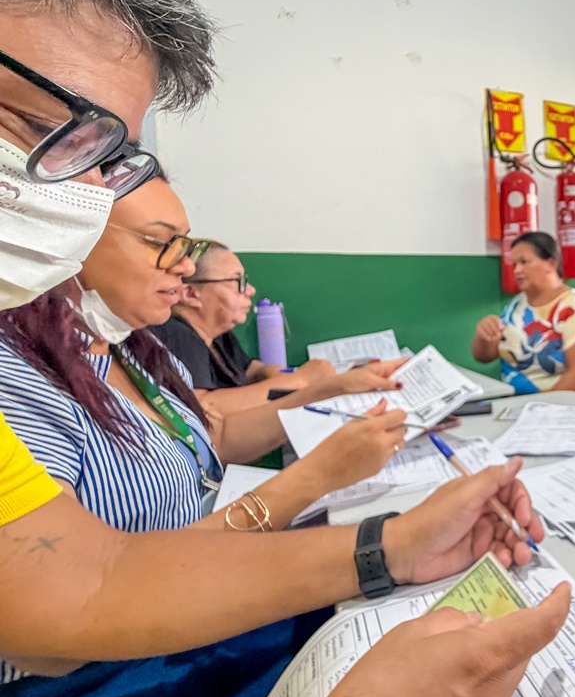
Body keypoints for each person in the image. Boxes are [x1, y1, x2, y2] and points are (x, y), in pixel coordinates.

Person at [0, 0, 568, 697]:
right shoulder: (24, 372)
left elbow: (88, 579)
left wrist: (389, 545)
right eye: (41, 132)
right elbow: (74, 616)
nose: (68, 198)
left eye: (102, 158)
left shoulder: (117, 352)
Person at [0, 174, 415, 535]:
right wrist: (317, 476)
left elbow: (211, 436)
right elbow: (81, 579)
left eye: (184, 246)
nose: (183, 267)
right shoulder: (21, 382)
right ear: (73, 243)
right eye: (162, 242)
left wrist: (330, 389)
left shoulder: (137, 349)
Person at [151, 241, 338, 413]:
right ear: (191, 294)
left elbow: (250, 370)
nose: (250, 290)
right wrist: (300, 380)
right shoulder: (175, 334)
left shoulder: (218, 336)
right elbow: (204, 406)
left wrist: (274, 373)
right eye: (237, 282)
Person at [472, 231, 575, 394]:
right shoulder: (517, 304)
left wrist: (541, 407)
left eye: (524, 262)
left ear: (551, 264)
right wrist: (484, 336)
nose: (517, 270)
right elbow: (484, 357)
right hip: (511, 403)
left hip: (555, 407)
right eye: (514, 264)